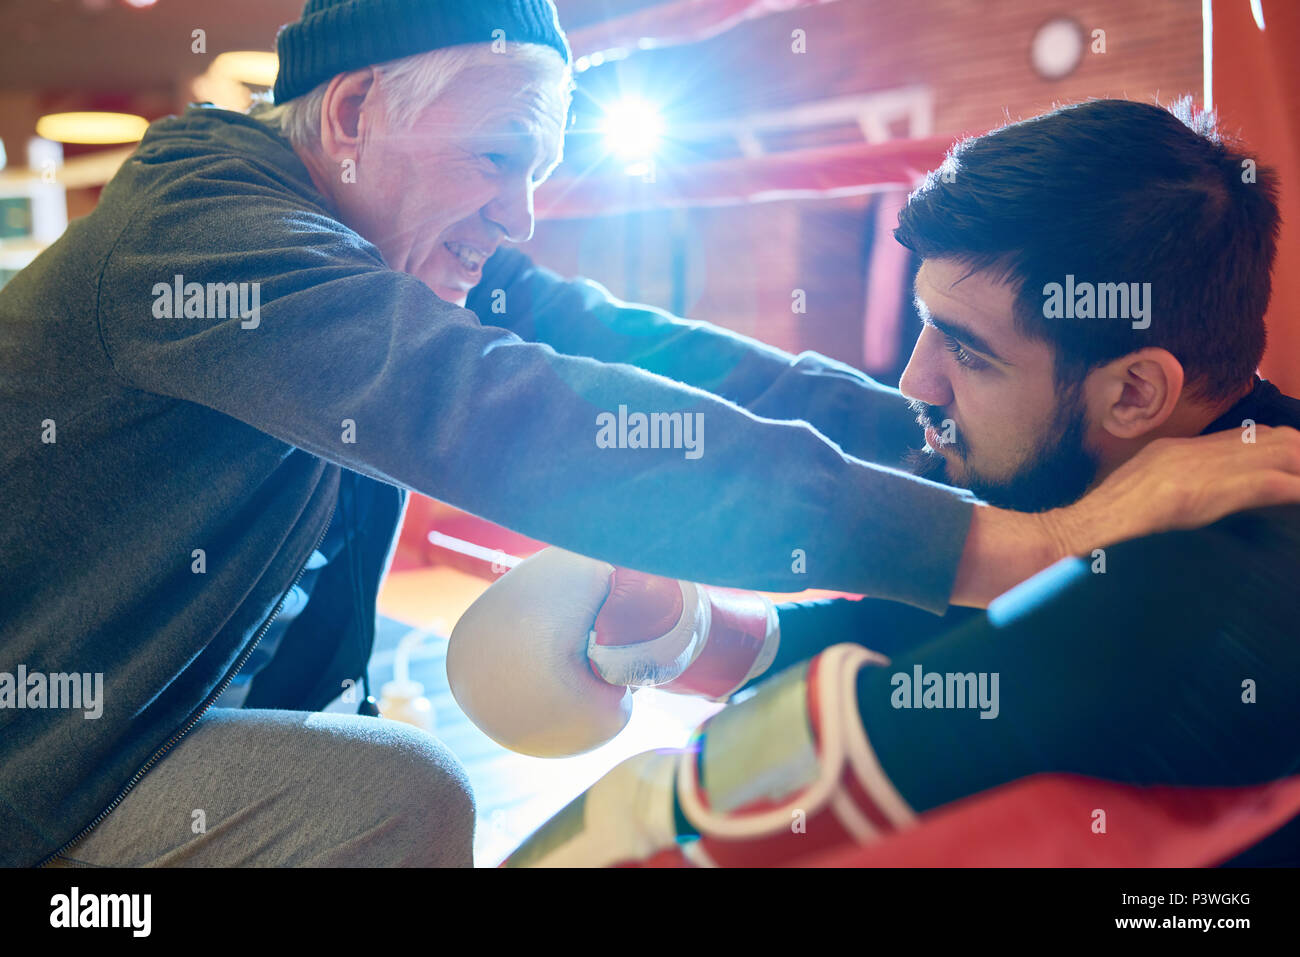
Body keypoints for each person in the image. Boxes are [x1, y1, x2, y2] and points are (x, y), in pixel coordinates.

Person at [1, 0, 1294, 867]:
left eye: (541, 171)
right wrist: (1017, 546)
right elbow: (521, 420)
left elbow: (644, 358)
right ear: (351, 119)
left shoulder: (393, 229)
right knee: (410, 794)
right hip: (45, 759)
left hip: (175, 689)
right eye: (500, 155)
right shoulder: (211, 236)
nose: (520, 214)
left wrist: (933, 464)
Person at [454, 99, 1300, 867]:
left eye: (967, 350)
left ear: (1134, 391)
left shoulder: (1219, 586)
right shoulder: (1113, 472)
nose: (915, 382)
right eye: (925, 327)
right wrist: (695, 632)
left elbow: (704, 824)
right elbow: (932, 636)